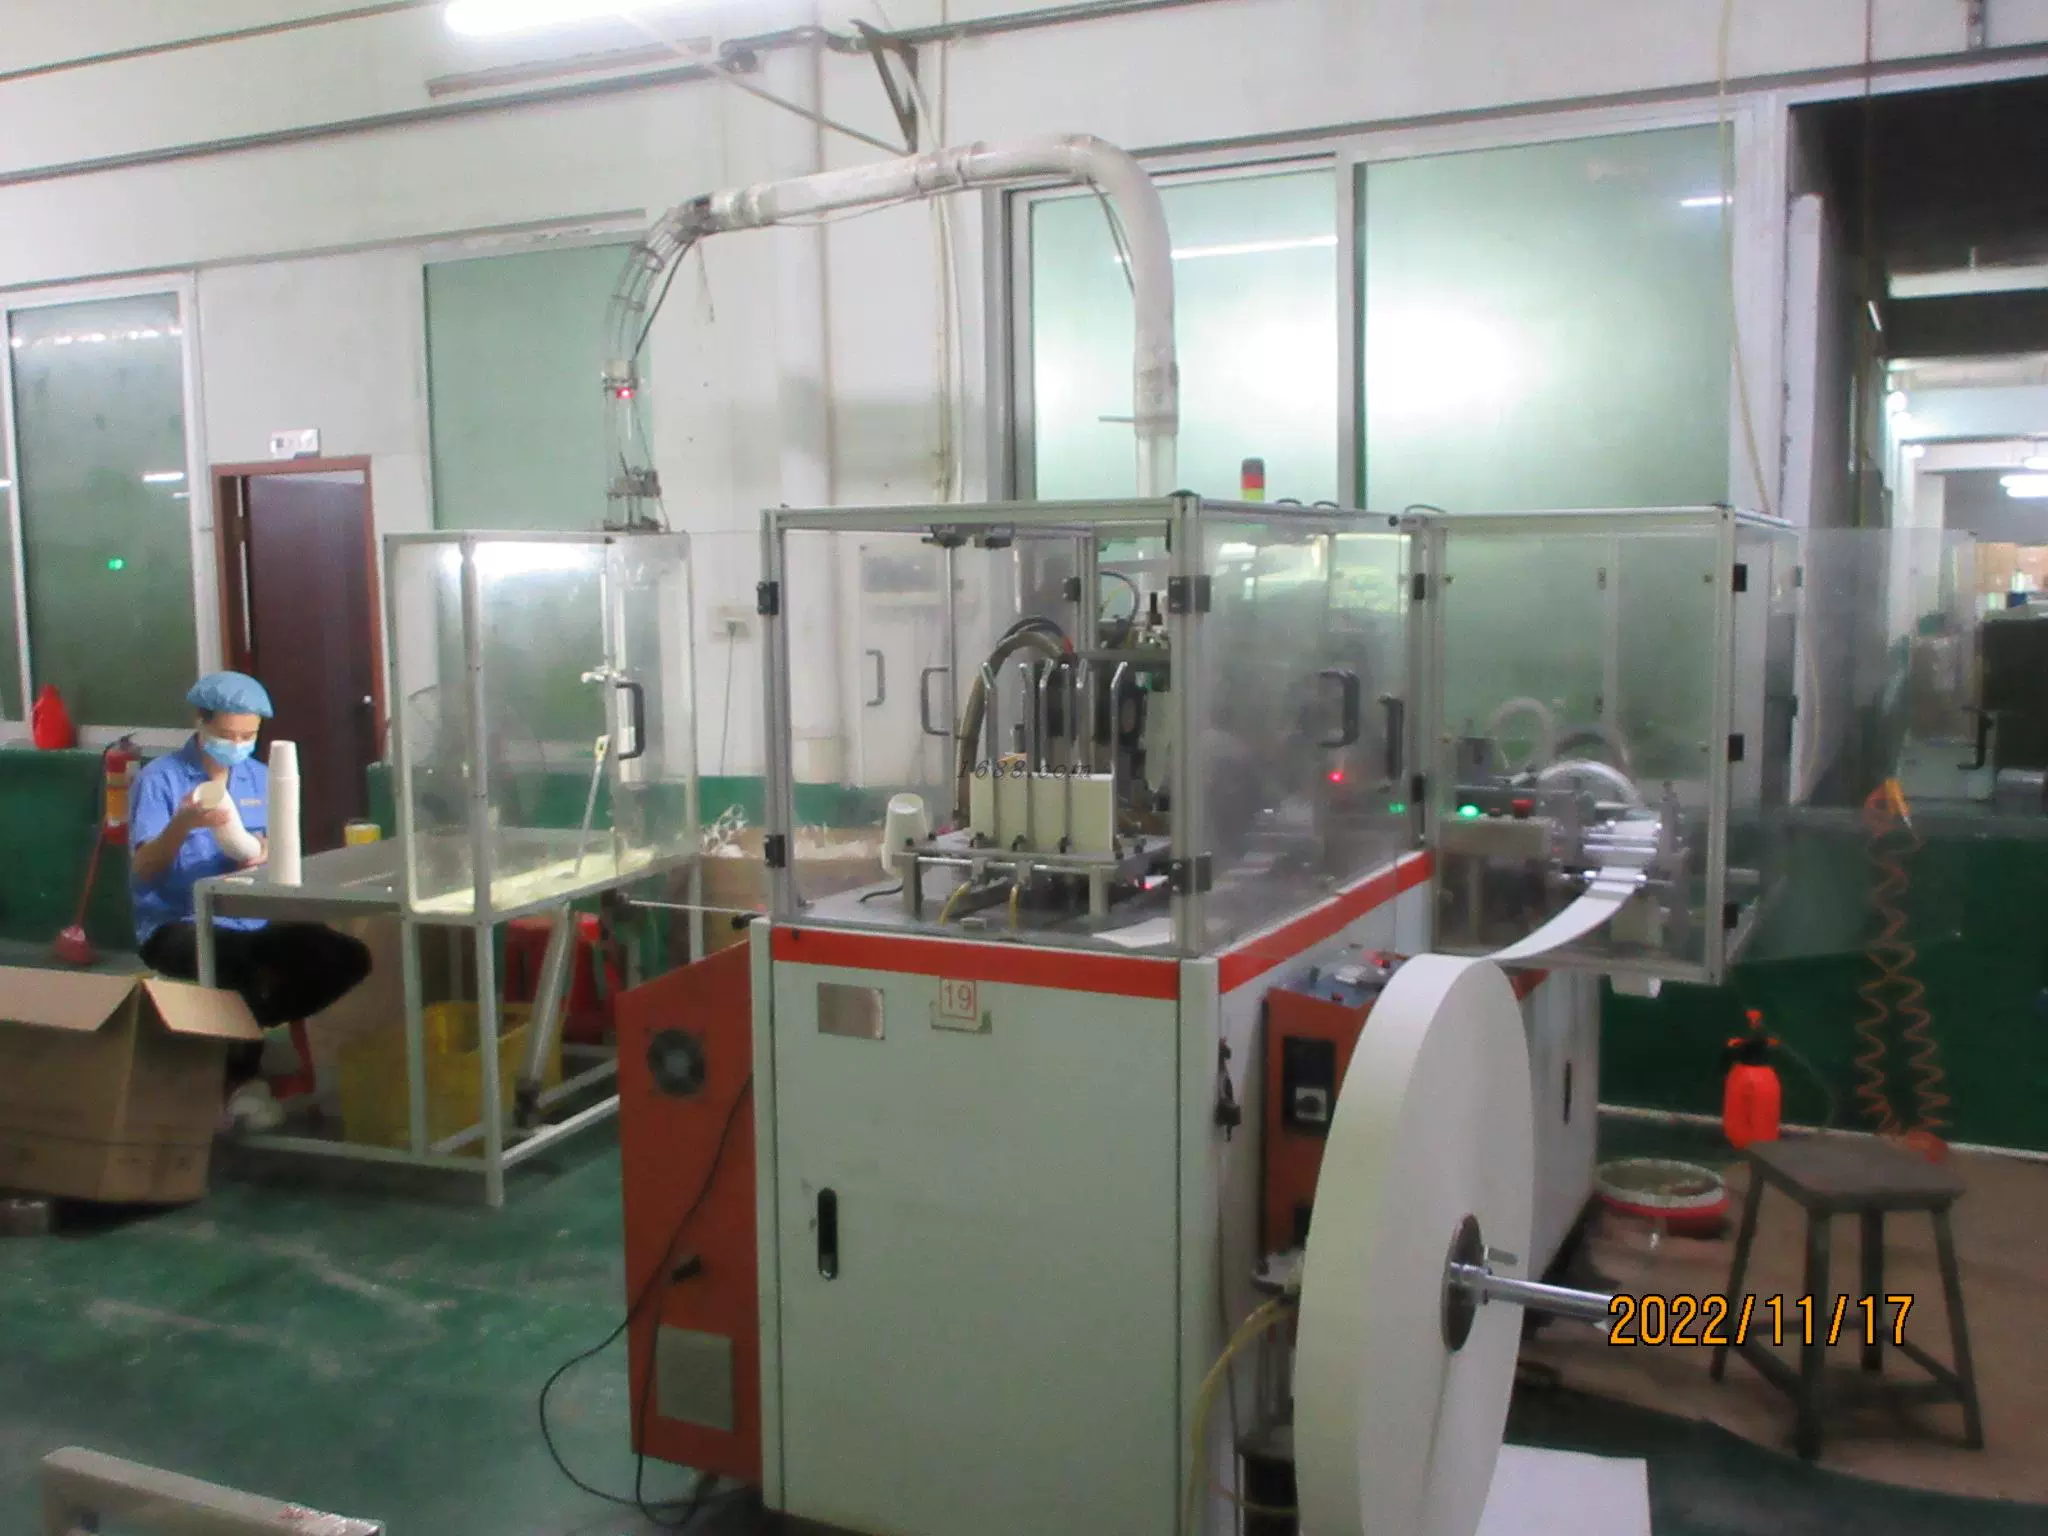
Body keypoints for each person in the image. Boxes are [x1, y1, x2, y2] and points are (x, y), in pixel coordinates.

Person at [130, 671, 372, 1130]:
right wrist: (183, 824)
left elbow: (281, 853)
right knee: (240, 965)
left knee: (343, 956)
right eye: (227, 735)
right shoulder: (159, 780)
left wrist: (266, 852)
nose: (238, 745)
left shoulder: (263, 778)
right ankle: (240, 1079)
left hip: (251, 920)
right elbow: (144, 869)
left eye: (249, 735)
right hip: (176, 923)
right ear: (201, 722)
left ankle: (239, 1039)